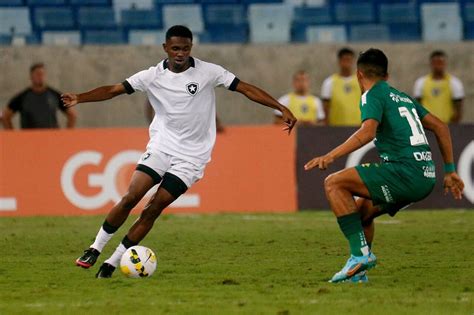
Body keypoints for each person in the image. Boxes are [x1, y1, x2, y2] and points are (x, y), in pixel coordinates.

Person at [62, 25, 297, 278]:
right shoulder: (151, 76)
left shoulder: (209, 72)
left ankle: (111, 262)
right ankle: (95, 248)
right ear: (165, 48)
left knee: (153, 208)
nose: (180, 53)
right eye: (175, 48)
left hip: (192, 156)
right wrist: (80, 97)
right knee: (132, 195)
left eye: (185, 48)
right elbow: (113, 90)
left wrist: (279, 107)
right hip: (162, 145)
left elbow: (246, 88)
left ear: (191, 48)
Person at [304, 49, 464, 283]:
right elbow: (441, 126)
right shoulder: (403, 97)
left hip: (404, 172)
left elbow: (367, 132)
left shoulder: (371, 96)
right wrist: (449, 170)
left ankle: (360, 255)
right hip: (425, 176)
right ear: (387, 75)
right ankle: (358, 274)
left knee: (334, 183)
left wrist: (330, 155)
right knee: (362, 212)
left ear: (359, 75)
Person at [2, 63, 76, 129]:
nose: (40, 77)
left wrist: (67, 135)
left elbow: (72, 115)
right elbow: (5, 116)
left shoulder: (54, 95)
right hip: (29, 140)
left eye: (42, 74)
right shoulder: (22, 97)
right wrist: (13, 137)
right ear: (31, 76)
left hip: (51, 139)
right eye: (38, 74)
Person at [413, 50, 465, 124]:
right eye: (435, 63)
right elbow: (417, 106)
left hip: (447, 125)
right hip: (427, 125)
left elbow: (458, 108)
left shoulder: (455, 83)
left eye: (440, 62)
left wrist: (452, 124)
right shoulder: (420, 83)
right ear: (431, 64)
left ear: (445, 64)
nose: (438, 65)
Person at [321, 48, 361, 126]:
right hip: (337, 127)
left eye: (349, 60)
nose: (347, 63)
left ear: (353, 62)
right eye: (344, 60)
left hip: (358, 127)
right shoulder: (329, 82)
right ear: (339, 62)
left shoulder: (362, 81)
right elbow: (326, 107)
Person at [145, 99, 225, 132]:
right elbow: (150, 100)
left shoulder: (192, 83)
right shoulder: (161, 81)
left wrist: (216, 121)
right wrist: (151, 124)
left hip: (190, 129)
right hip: (168, 129)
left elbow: (204, 102)